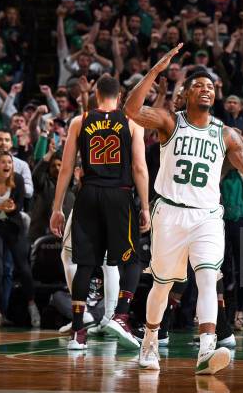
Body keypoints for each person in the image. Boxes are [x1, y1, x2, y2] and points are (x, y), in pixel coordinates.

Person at [124, 44, 243, 374]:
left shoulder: (226, 134)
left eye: (211, 87)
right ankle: (149, 340)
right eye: (199, 85)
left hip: (207, 217)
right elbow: (130, 110)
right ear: (186, 94)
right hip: (170, 213)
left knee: (207, 278)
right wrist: (155, 71)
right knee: (162, 285)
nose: (206, 89)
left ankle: (206, 351)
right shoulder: (169, 122)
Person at [50, 74, 150, 351]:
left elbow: (67, 168)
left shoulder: (79, 121)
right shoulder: (132, 123)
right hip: (119, 194)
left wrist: (57, 208)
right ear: (119, 96)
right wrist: (145, 206)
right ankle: (120, 315)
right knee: (131, 261)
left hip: (88, 194)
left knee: (84, 265)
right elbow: (140, 168)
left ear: (95, 95)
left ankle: (78, 333)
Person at [0, 151, 40, 328]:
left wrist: (11, 208)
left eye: (9, 162)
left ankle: (32, 305)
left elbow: (19, 205)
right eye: (3, 162)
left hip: (13, 227)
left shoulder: (17, 180)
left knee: (24, 268)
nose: (7, 165)